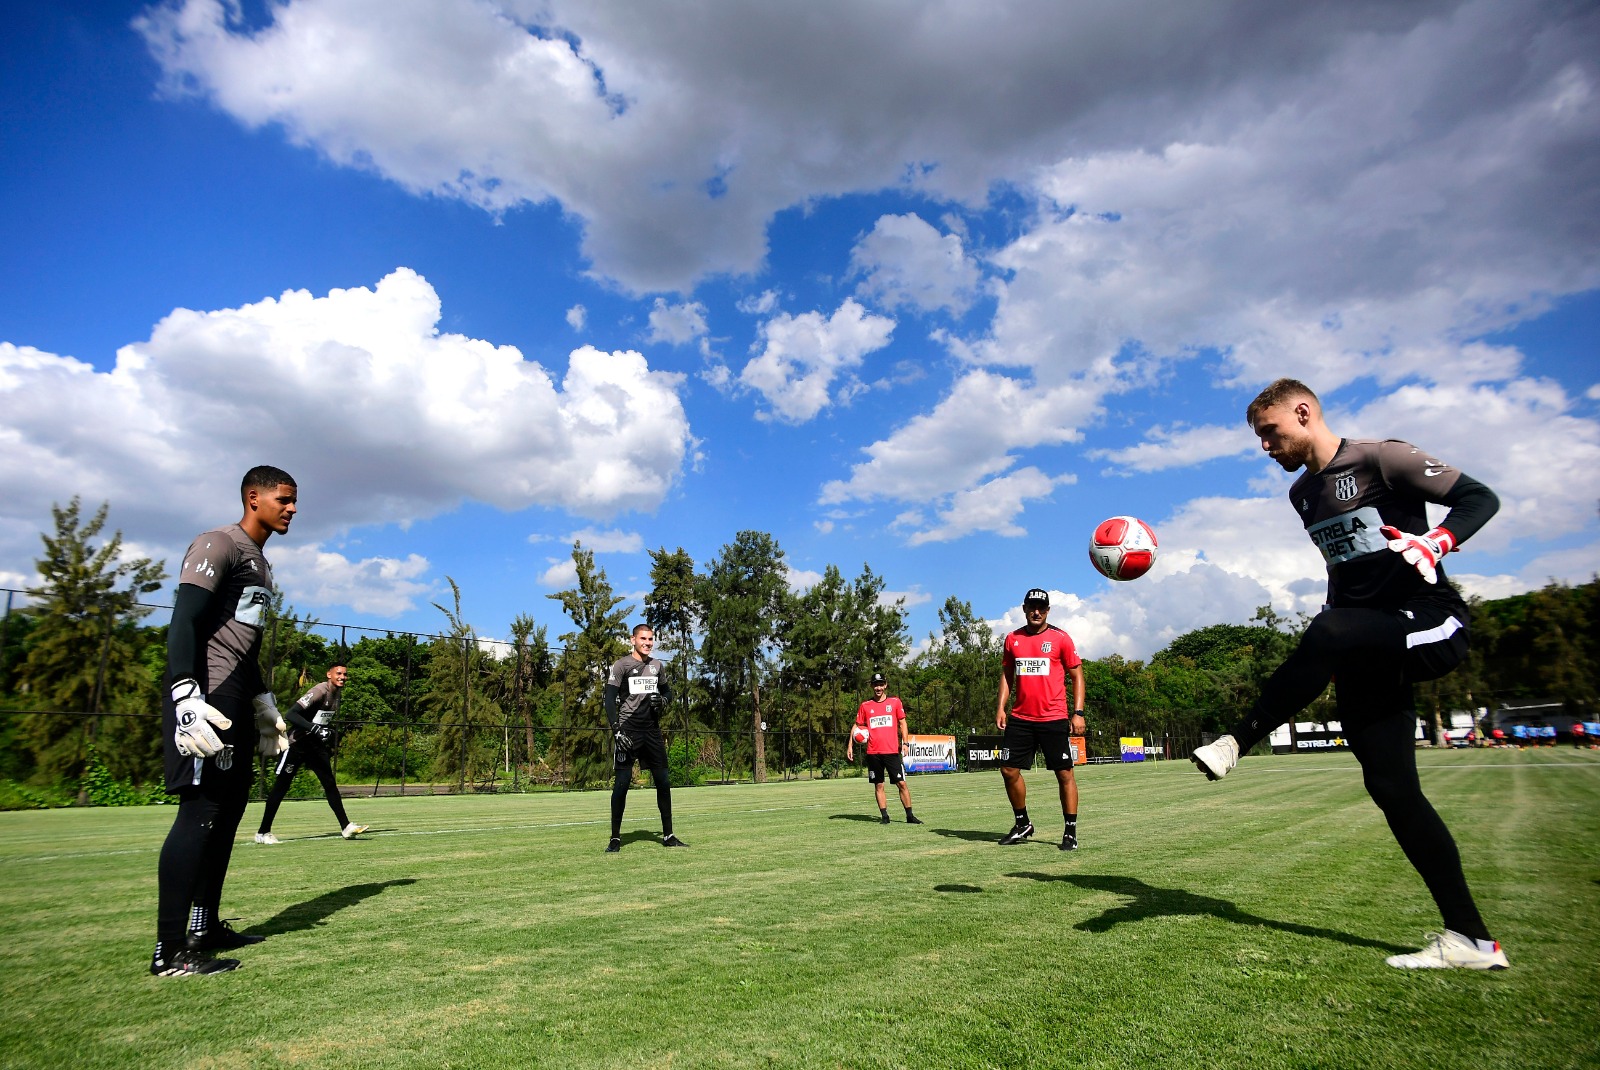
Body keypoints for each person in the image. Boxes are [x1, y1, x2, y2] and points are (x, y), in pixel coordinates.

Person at [1191, 379, 1509, 970]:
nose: (1264, 446)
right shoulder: (1303, 494)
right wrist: (1332, 633)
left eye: (1270, 431)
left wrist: (1438, 540)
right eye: (1259, 437)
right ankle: (1471, 940)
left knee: (1331, 632)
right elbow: (1343, 571)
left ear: (1304, 413)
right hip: (1367, 640)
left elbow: (1480, 499)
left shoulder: (1383, 456)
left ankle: (1238, 741)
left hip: (1430, 622)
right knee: (1391, 789)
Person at [150, 466, 297, 976]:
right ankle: (169, 951)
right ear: (253, 498)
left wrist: (262, 701)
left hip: (233, 696)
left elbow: (243, 643)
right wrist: (184, 693)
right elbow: (183, 621)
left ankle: (204, 924)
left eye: (294, 501)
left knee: (229, 811)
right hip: (203, 697)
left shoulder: (261, 565)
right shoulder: (219, 544)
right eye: (284, 499)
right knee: (200, 813)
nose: (292, 509)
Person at [994, 588, 1087, 850]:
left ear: (1048, 610)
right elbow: (1006, 675)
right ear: (1024, 608)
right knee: (1008, 770)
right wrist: (1001, 707)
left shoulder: (1061, 638)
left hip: (1054, 718)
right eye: (1032, 607)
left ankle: (1070, 831)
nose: (1037, 612)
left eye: (1042, 608)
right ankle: (1022, 823)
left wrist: (1077, 712)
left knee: (1064, 773)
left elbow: (1077, 676)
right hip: (1021, 717)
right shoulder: (1012, 639)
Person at [254, 662, 369, 844]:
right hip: (297, 745)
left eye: (345, 674)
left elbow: (321, 720)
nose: (342, 677)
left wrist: (325, 732)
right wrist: (315, 729)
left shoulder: (337, 695)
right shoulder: (319, 691)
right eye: (338, 673)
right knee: (281, 787)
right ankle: (263, 832)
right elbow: (291, 714)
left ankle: (346, 827)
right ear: (329, 674)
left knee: (329, 784)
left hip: (315, 747)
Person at [602, 624, 685, 851]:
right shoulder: (621, 666)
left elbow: (667, 692)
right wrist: (617, 730)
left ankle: (668, 836)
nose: (647, 643)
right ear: (633, 640)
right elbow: (609, 700)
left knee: (664, 783)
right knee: (621, 784)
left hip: (652, 731)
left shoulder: (658, 666)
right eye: (643, 639)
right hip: (627, 730)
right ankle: (615, 838)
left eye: (650, 639)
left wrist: (665, 700)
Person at [846, 672, 922, 824]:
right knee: (879, 784)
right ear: (872, 686)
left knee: (902, 784)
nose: (878, 687)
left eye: (881, 684)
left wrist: (905, 743)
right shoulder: (865, 706)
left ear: (885, 685)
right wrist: (850, 745)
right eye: (875, 684)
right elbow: (857, 725)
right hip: (873, 753)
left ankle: (910, 816)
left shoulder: (895, 702)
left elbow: (903, 723)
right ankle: (885, 817)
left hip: (892, 751)